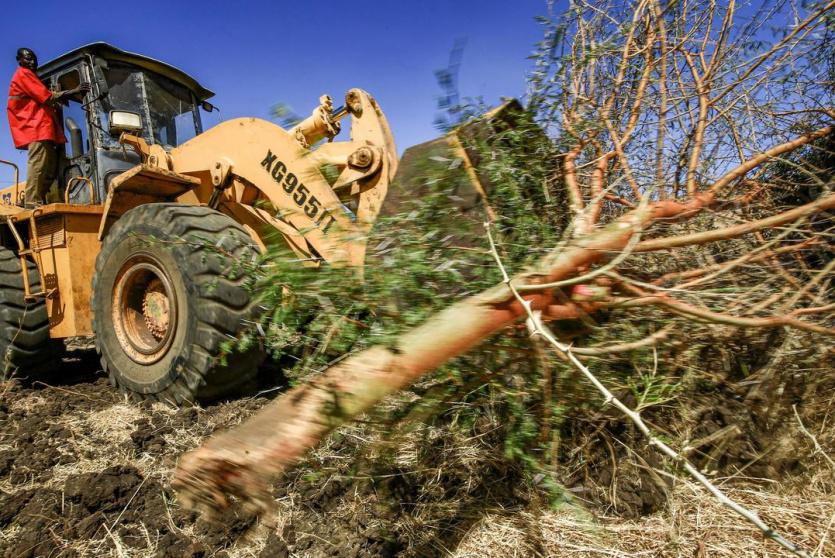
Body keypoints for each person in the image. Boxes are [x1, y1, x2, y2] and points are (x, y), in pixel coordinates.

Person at [6, 48, 89, 207]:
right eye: (28, 59)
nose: (33, 62)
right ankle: (31, 201)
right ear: (20, 61)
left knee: (50, 168)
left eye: (34, 59)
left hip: (44, 129)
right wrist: (75, 90)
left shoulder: (30, 76)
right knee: (38, 165)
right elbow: (47, 96)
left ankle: (33, 198)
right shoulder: (24, 74)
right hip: (35, 128)